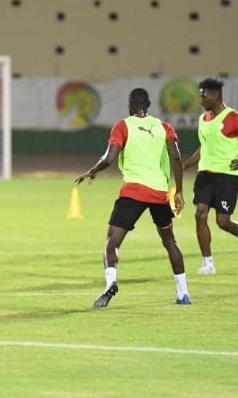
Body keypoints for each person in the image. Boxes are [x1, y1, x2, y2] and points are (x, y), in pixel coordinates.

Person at [75, 88, 191, 307]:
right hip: (158, 193)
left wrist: (93, 170)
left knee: (112, 242)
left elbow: (109, 157)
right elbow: (176, 157)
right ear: (148, 104)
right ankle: (183, 293)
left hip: (134, 192)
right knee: (170, 241)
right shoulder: (164, 127)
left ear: (129, 105)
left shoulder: (123, 126)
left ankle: (111, 282)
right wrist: (180, 191)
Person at [183, 78, 238, 275]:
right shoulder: (203, 119)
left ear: (215, 96)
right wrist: (186, 165)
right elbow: (204, 147)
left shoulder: (234, 118)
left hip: (226, 177)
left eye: (203, 95)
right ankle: (208, 264)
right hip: (205, 174)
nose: (201, 99)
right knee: (200, 214)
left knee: (222, 222)